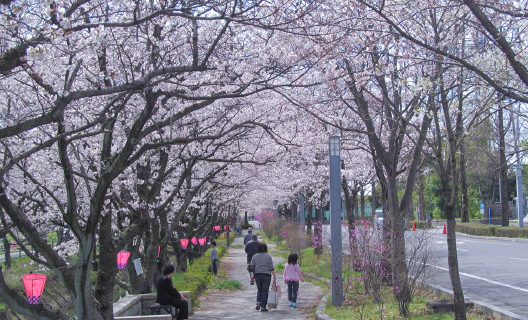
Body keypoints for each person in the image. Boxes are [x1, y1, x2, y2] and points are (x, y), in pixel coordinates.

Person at [249, 243, 276, 312]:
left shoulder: (255, 256)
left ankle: (258, 303)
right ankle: (263, 307)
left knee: (259, 289)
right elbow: (271, 268)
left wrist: (255, 268)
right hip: (266, 275)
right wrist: (274, 277)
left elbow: (251, 266)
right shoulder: (268, 256)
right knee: (265, 291)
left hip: (257, 275)